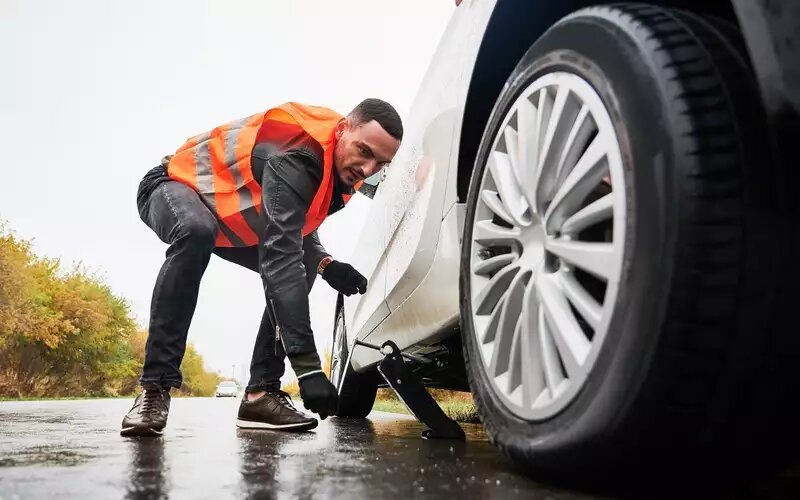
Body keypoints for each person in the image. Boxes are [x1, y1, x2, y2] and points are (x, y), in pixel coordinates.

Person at [121, 99, 403, 436]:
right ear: (342, 129)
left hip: (228, 221)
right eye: (363, 151)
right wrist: (309, 369)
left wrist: (326, 265)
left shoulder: (342, 169)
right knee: (197, 232)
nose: (368, 169)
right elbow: (279, 258)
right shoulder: (298, 154)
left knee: (300, 263)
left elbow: (296, 227)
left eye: (380, 163)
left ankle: (260, 394)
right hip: (171, 185)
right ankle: (154, 388)